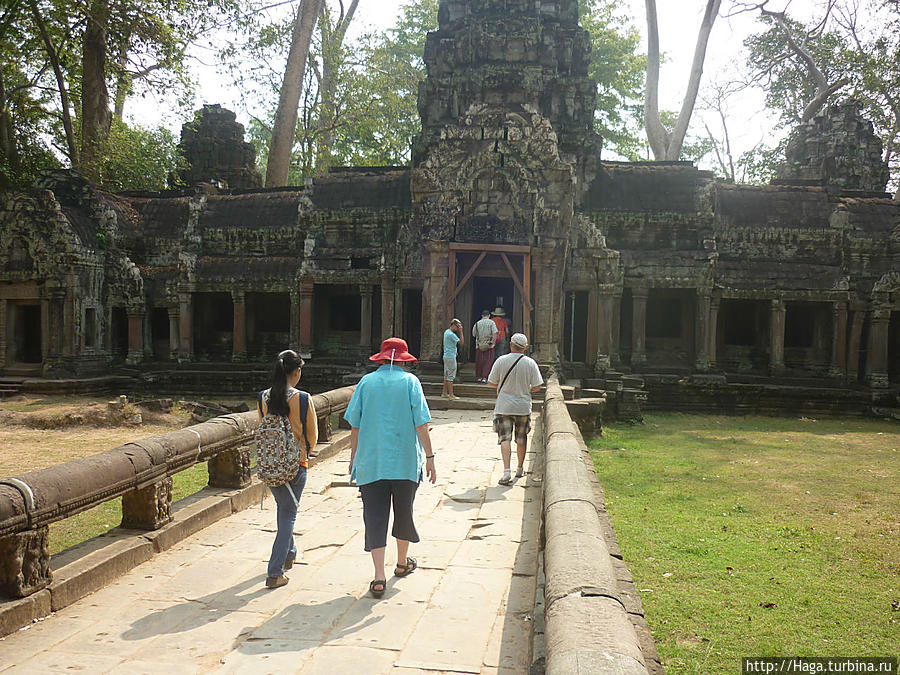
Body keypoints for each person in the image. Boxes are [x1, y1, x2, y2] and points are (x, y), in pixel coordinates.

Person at [345, 337, 437, 599]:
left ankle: (378, 576)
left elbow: (355, 425)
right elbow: (422, 424)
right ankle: (401, 562)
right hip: (405, 461)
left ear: (382, 358)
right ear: (405, 360)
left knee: (374, 516)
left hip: (371, 461)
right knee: (403, 512)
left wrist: (354, 457)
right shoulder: (410, 382)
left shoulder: (366, 382)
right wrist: (430, 457)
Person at [257, 349, 318, 588]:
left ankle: (290, 552)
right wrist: (305, 453)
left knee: (284, 509)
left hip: (270, 464)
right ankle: (275, 571)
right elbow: (312, 434)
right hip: (296, 463)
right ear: (296, 372)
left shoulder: (263, 397)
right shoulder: (302, 399)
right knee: (288, 515)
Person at [487, 333, 543, 486]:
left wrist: (503, 387)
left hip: (504, 405)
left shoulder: (501, 361)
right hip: (523, 406)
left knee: (505, 438)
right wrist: (526, 389)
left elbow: (491, 383)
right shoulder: (531, 363)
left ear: (510, 345)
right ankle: (519, 468)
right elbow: (538, 386)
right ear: (525, 347)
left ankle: (506, 471)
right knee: (521, 438)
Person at [472, 309, 498, 383]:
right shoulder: (491, 323)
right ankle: (485, 377)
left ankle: (479, 377)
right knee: (488, 361)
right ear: (489, 315)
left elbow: (474, 334)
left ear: (482, 316)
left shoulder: (477, 323)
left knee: (479, 361)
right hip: (488, 345)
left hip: (479, 345)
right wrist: (493, 343)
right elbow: (495, 333)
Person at [441, 318, 464, 400]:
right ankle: (451, 395)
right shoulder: (451, 334)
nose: (458, 328)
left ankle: (444, 393)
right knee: (450, 376)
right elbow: (461, 342)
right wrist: (461, 332)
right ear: (453, 325)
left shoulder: (446, 332)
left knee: (446, 375)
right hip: (450, 357)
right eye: (457, 327)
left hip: (447, 355)